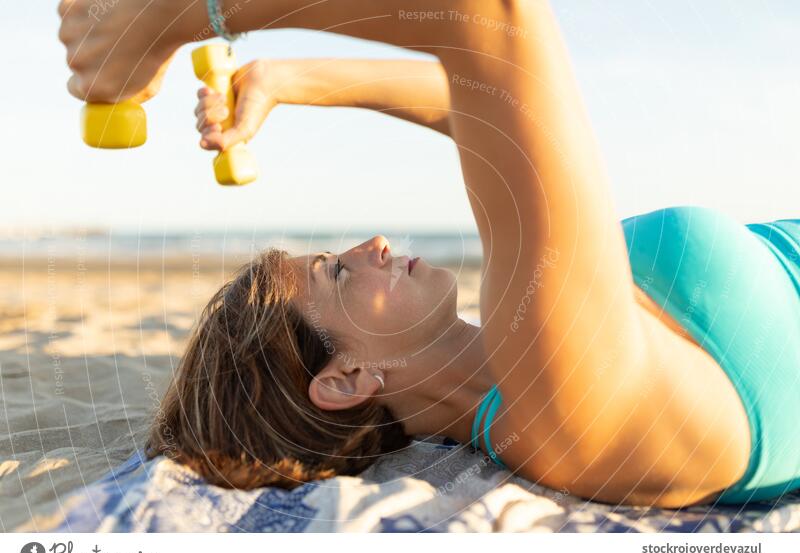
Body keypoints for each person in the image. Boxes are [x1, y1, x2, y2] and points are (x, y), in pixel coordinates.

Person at [57, 0, 800, 508]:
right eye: (338, 272)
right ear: (347, 379)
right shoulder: (558, 402)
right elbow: (496, 22)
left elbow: (486, 100)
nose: (375, 243)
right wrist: (185, 16)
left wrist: (286, 81)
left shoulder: (518, 346)